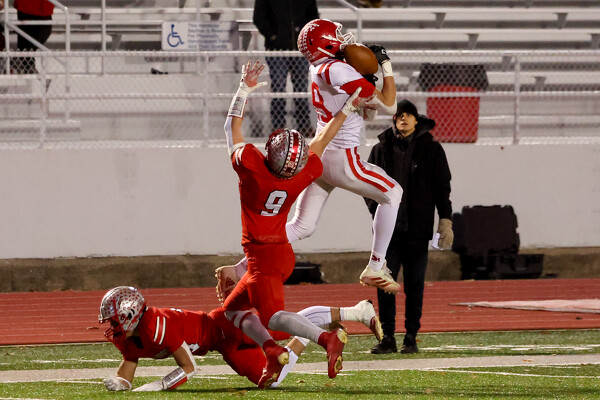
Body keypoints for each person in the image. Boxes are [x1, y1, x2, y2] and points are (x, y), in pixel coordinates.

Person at [217, 19, 402, 300]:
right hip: (342, 158)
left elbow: (367, 111)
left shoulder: (318, 66)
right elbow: (390, 105)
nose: (342, 37)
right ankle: (376, 266)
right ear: (326, 43)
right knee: (393, 193)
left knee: (302, 226)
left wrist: (364, 78)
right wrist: (386, 65)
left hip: (318, 157)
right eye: (336, 35)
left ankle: (240, 268)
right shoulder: (337, 69)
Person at [222, 60, 371, 387]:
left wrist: (244, 88)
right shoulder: (302, 173)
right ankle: (272, 351)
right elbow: (323, 139)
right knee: (232, 311)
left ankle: (325, 339)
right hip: (281, 252)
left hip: (263, 258)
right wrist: (346, 109)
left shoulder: (252, 166)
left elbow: (230, 128)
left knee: (274, 318)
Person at [98, 286, 382, 391]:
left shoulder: (157, 326)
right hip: (222, 345)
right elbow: (129, 362)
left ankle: (356, 311)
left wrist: (161, 384)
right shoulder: (131, 336)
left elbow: (190, 368)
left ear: (130, 314)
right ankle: (311, 332)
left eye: (114, 319)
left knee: (281, 323)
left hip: (226, 326)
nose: (111, 326)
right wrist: (122, 382)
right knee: (271, 380)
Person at [364, 99, 453, 354]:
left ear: (417, 120)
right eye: (399, 115)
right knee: (385, 285)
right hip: (388, 234)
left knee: (415, 285)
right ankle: (387, 338)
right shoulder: (380, 149)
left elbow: (442, 187)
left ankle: (411, 337)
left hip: (417, 230)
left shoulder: (432, 150)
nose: (403, 118)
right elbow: (366, 186)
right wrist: (378, 213)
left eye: (408, 115)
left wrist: (445, 220)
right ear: (394, 119)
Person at [252, 0, 319, 136]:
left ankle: (304, 125)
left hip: (300, 49)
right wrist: (272, 36)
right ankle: (278, 127)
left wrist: (305, 38)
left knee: (301, 87)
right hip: (276, 49)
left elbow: (313, 18)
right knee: (278, 87)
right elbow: (259, 17)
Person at [12, 0, 54, 74]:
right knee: (25, 36)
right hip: (26, 5)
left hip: (43, 5)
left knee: (44, 31)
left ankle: (22, 62)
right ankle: (26, 65)